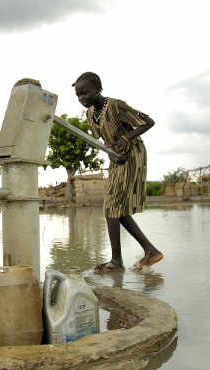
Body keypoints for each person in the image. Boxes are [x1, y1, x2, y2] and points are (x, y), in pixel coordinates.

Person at [72, 72, 163, 273]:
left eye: (85, 93)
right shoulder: (90, 114)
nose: (82, 98)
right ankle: (150, 250)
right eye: (78, 95)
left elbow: (148, 122)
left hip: (133, 155)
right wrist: (111, 154)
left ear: (97, 88)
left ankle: (117, 261)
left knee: (111, 208)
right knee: (114, 209)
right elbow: (106, 142)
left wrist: (127, 138)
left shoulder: (115, 106)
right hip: (116, 157)